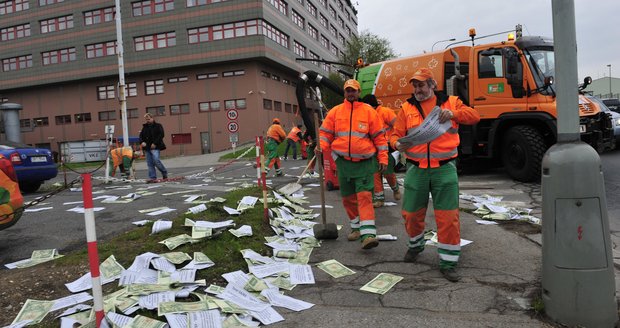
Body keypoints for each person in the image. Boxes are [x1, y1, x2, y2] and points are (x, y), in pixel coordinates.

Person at [391, 68, 480, 282]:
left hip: (444, 168)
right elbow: (395, 133)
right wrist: (395, 143)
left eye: (421, 85)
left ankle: (448, 262)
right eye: (415, 86)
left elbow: (475, 116)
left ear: (432, 85)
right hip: (416, 168)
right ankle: (416, 245)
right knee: (411, 214)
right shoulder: (406, 108)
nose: (417, 89)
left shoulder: (451, 102)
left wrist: (454, 114)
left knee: (448, 218)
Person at [318, 79, 388, 249]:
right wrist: (320, 146)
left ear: (358, 92)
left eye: (354, 90)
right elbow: (326, 134)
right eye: (348, 90)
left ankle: (369, 234)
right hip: (343, 164)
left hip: (364, 164)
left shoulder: (369, 112)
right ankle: (356, 228)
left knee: (364, 198)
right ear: (344, 93)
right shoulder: (335, 112)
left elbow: (379, 137)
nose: (351, 93)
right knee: (348, 199)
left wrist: (383, 157)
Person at [361, 94, 401, 208]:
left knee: (388, 172)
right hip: (373, 148)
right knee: (375, 173)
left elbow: (398, 126)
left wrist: (396, 140)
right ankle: (379, 199)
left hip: (387, 147)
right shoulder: (366, 114)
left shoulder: (385, 112)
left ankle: (395, 188)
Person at [139, 113, 168, 181]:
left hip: (156, 147)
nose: (147, 120)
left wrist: (155, 143)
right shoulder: (144, 127)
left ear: (152, 118)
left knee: (156, 160)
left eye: (149, 119)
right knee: (150, 163)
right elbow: (140, 136)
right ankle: (153, 177)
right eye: (146, 119)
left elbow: (161, 134)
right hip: (147, 148)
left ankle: (164, 172)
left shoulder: (158, 126)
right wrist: (142, 142)